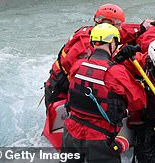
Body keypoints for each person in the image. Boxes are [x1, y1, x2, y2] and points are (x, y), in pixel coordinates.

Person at [61, 23, 147, 162]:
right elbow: (139, 101)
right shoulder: (117, 72)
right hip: (99, 139)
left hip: (70, 133)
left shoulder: (78, 65)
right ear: (112, 43)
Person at [44, 3, 153, 109]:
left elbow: (120, 34)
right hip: (61, 91)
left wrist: (141, 28)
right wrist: (117, 60)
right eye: (119, 25)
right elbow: (91, 71)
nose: (121, 29)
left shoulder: (94, 35)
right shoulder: (85, 46)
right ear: (108, 24)